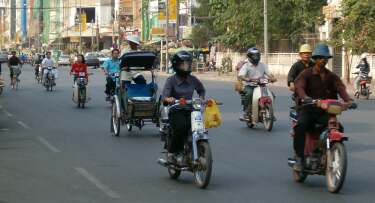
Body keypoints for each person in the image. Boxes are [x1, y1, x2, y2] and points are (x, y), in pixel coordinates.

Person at [293, 44, 353, 171]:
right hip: (308, 109)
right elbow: (299, 87)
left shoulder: (331, 76)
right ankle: (299, 157)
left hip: (326, 111)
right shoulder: (306, 74)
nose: (324, 60)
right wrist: (306, 98)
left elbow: (340, 87)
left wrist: (348, 100)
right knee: (300, 126)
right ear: (315, 59)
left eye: (326, 58)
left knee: (338, 127)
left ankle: (320, 151)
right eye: (320, 57)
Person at [162, 50, 206, 163]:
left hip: (191, 109)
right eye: (183, 64)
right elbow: (165, 96)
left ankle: (196, 149)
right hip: (176, 110)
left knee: (200, 129)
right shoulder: (171, 80)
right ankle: (172, 152)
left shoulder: (193, 79)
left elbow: (201, 90)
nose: (186, 67)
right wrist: (169, 99)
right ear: (176, 65)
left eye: (188, 64)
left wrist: (202, 99)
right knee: (181, 127)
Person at [238, 47, 276, 120]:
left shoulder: (262, 65)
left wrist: (272, 78)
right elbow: (241, 75)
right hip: (250, 85)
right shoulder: (246, 66)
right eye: (254, 56)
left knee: (272, 95)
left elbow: (269, 74)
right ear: (249, 56)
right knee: (249, 94)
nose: (256, 57)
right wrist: (247, 79)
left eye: (257, 55)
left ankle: (270, 112)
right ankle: (246, 112)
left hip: (262, 85)